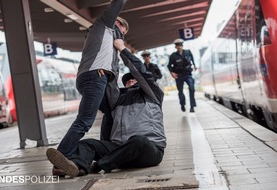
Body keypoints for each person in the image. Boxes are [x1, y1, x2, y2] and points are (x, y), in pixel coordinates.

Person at [46, 39, 166, 177]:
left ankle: (98, 166)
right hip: (118, 151)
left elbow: (141, 72)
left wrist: (122, 49)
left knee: (139, 140)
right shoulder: (116, 100)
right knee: (87, 144)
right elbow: (109, 82)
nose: (131, 81)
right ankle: (75, 166)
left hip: (148, 150)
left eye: (134, 79)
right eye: (127, 80)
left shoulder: (153, 94)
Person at [46, 0, 130, 175]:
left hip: (95, 77)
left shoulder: (107, 43)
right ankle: (61, 157)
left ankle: (105, 153)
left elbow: (114, 74)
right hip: (95, 76)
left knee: (110, 111)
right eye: (123, 33)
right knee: (85, 120)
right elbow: (117, 4)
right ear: (118, 24)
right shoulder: (105, 25)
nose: (122, 37)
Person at [167, 39, 197, 112]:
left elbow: (192, 59)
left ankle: (192, 106)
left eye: (180, 45)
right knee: (180, 91)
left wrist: (194, 65)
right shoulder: (173, 56)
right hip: (179, 75)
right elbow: (169, 65)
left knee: (192, 88)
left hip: (187, 74)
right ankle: (182, 104)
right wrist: (172, 72)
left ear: (182, 46)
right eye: (177, 46)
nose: (179, 47)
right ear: (175, 47)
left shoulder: (188, 52)